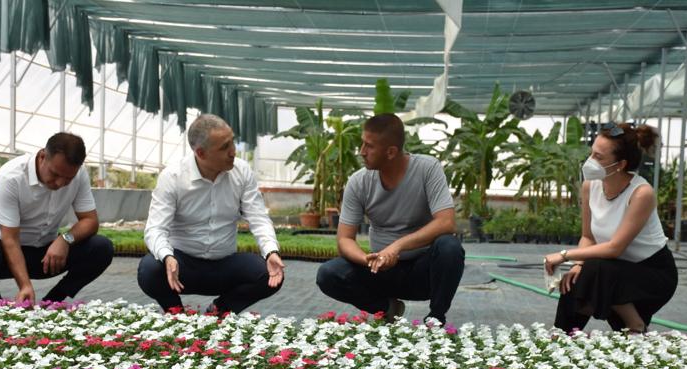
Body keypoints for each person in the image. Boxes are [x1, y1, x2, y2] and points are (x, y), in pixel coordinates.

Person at [315, 113, 464, 325]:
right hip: (379, 272)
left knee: (450, 247)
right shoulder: (359, 182)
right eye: (362, 143)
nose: (362, 151)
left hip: (423, 273)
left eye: (369, 146)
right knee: (329, 274)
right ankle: (387, 308)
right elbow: (344, 239)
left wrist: (397, 247)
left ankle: (436, 319)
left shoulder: (427, 169)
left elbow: (446, 222)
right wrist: (367, 260)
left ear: (391, 152)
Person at [138, 114, 284, 314]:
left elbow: (258, 218)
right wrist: (167, 257)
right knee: (149, 270)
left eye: (232, 142)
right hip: (181, 266)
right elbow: (155, 229)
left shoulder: (242, 172)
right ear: (201, 153)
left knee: (270, 274)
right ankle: (176, 314)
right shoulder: (173, 177)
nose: (233, 151)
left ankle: (219, 310)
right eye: (224, 147)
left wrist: (271, 251)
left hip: (224, 265)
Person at [544, 122, 677, 333]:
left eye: (599, 157)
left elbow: (615, 248)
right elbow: (588, 236)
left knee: (596, 268)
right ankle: (562, 335)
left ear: (620, 164)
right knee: (575, 278)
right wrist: (577, 264)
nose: (590, 161)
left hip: (650, 274)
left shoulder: (641, 193)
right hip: (614, 270)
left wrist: (564, 255)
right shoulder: (590, 186)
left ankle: (635, 325)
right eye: (591, 153)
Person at [0, 132, 114, 303]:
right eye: (55, 174)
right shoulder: (11, 176)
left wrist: (65, 240)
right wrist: (25, 286)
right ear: (42, 156)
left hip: (45, 255)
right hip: (2, 251)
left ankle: (53, 301)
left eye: (68, 179)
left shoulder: (79, 174)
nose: (60, 183)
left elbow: (90, 221)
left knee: (101, 248)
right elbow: (10, 239)